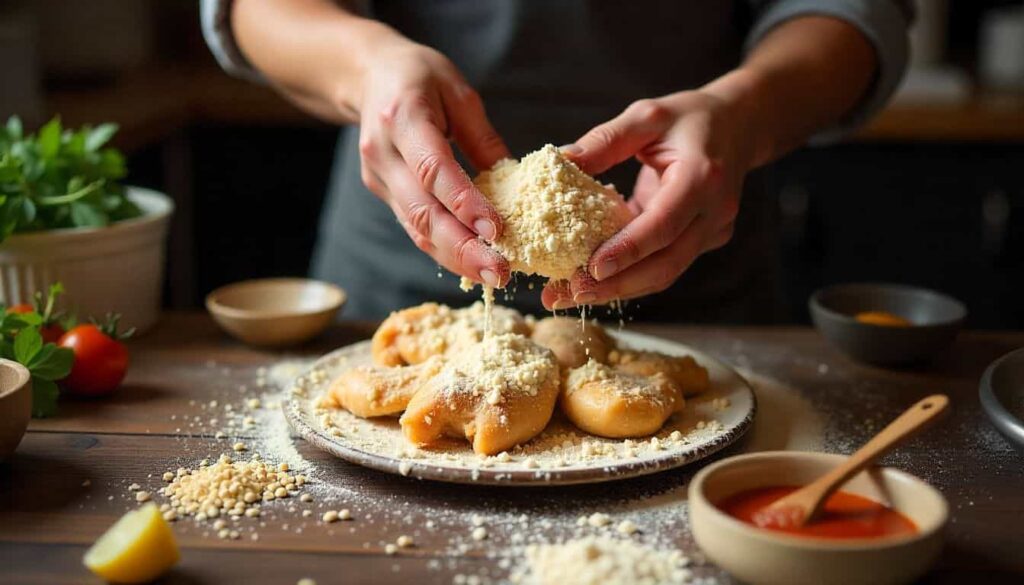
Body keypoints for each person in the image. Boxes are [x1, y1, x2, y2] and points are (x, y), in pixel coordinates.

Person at [202, 0, 911, 322]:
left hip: (698, 294)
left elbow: (854, 13)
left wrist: (743, 112)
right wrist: (366, 66)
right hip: (392, 286)